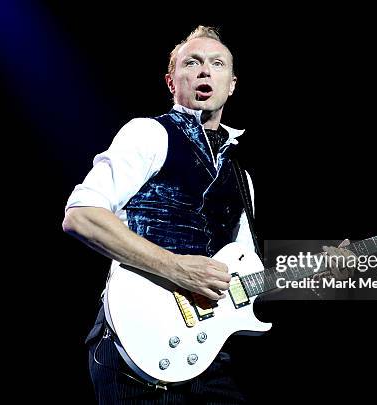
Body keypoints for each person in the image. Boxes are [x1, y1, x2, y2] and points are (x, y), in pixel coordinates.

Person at [63, 25, 353, 404]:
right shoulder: (150, 134)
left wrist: (318, 276)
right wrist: (177, 268)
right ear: (172, 81)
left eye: (217, 64)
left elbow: (245, 280)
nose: (204, 71)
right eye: (192, 63)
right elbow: (81, 215)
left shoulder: (241, 177)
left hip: (207, 356)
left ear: (231, 84)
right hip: (134, 346)